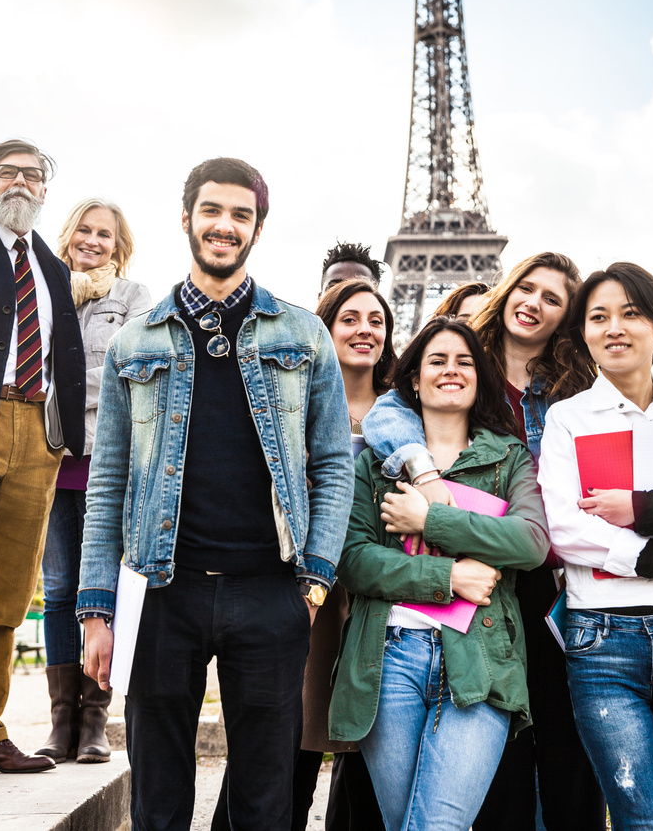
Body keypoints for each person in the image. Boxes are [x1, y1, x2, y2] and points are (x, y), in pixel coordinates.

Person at [76, 156, 354, 831]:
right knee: (157, 798)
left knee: (265, 800)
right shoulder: (134, 341)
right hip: (162, 589)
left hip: (270, 589)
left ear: (257, 228)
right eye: (212, 211)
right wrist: (94, 608)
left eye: (240, 214)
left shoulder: (301, 334)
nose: (224, 226)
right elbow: (108, 479)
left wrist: (313, 582)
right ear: (186, 219)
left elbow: (334, 465)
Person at [362, 252, 605, 831]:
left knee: (567, 751)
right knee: (499, 770)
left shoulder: (571, 390)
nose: (535, 304)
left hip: (549, 580)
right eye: (527, 288)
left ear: (566, 318)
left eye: (554, 299)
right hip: (473, 589)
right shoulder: (462, 361)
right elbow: (386, 415)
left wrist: (433, 516)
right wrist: (425, 475)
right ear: (506, 288)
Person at [329, 315, 550, 830]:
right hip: (388, 660)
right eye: (437, 360)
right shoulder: (374, 463)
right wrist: (447, 579)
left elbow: (531, 542)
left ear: (480, 378)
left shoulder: (508, 458)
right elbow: (354, 560)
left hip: (479, 657)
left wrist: (430, 519)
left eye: (465, 361)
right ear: (413, 378)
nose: (451, 370)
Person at [538, 262, 653, 831]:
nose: (615, 327)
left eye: (631, 313)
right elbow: (565, 530)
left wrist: (642, 507)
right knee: (643, 819)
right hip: (603, 641)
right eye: (598, 317)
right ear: (585, 334)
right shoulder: (568, 420)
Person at [0, 139, 85, 774]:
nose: (20, 182)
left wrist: (61, 439)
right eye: (7, 172)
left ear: (45, 191)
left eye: (33, 175)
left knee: (10, 594)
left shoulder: (54, 268)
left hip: (38, 432)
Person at [35, 199, 151, 765]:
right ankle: (63, 722)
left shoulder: (132, 299)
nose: (93, 240)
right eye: (85, 228)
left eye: (105, 233)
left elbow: (131, 374)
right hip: (50, 462)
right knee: (58, 590)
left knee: (103, 589)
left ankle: (97, 717)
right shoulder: (43, 289)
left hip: (108, 465)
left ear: (118, 245)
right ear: (68, 233)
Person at [292, 279, 396, 831]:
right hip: (307, 583)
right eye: (350, 319)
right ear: (325, 328)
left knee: (367, 760)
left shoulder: (405, 410)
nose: (364, 330)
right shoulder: (296, 401)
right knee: (290, 743)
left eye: (376, 320)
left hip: (375, 588)